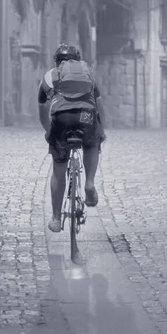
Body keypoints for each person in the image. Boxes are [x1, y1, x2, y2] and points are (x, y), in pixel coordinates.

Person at [38, 43, 106, 233]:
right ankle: (90, 183)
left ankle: (56, 219)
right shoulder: (89, 73)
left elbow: (42, 113)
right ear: (77, 61)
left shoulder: (49, 76)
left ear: (57, 61)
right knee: (92, 144)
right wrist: (100, 130)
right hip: (87, 116)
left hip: (62, 119)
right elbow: (100, 105)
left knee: (58, 170)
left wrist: (49, 131)